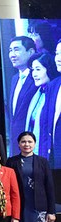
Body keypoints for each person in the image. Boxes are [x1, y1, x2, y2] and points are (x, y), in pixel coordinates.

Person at [23, 53, 59, 155]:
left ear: (49, 69)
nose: (34, 74)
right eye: (33, 70)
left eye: (38, 69)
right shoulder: (37, 94)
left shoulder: (54, 95)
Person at [7, 36, 37, 156]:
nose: (12, 54)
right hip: (16, 144)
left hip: (33, 143)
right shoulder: (14, 78)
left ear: (30, 52)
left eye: (16, 49)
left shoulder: (37, 78)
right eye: (10, 50)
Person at [39, 39, 61, 167]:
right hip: (55, 160)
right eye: (57, 53)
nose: (58, 58)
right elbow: (46, 126)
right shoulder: (53, 85)